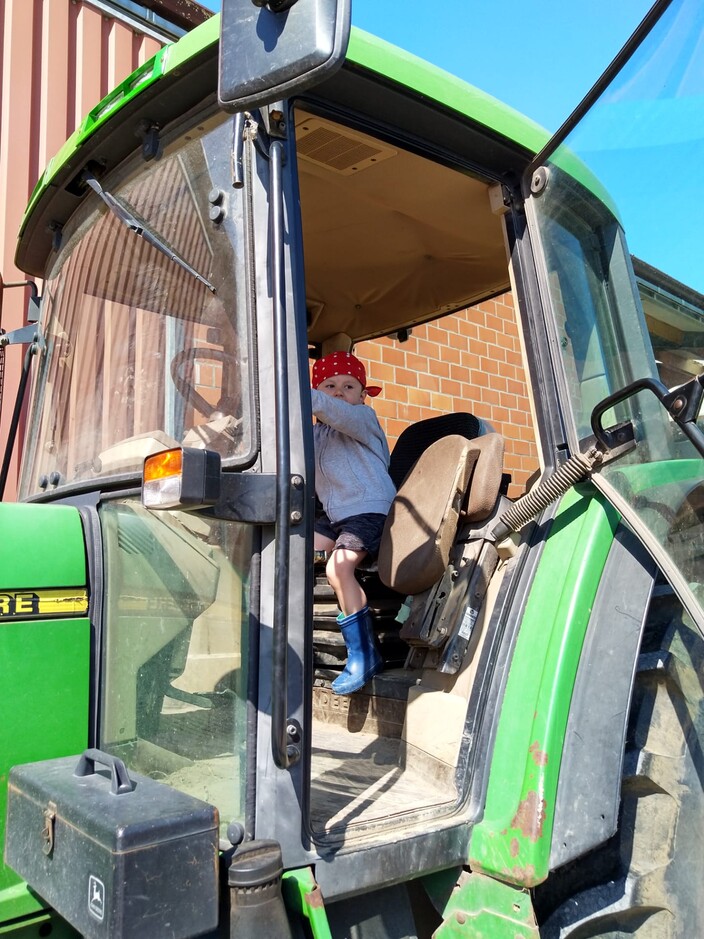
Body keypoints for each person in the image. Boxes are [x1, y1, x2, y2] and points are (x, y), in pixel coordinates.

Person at [311, 351, 396, 695]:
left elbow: (335, 412)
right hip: (335, 515)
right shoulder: (315, 436)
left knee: (338, 569)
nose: (338, 392)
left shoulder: (362, 419)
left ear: (363, 395)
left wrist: (304, 393)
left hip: (370, 509)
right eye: (329, 385)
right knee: (294, 553)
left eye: (348, 386)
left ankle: (364, 654)